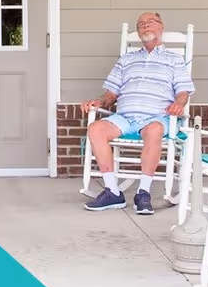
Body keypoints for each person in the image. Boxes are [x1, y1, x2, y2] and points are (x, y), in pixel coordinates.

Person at [82, 11, 192, 214]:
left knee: (154, 130)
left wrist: (178, 104)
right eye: (141, 24)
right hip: (124, 116)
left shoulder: (174, 60)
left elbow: (183, 92)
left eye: (151, 22)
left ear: (161, 26)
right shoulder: (126, 59)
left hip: (156, 117)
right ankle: (113, 192)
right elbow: (111, 93)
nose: (145, 26)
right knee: (95, 129)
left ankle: (143, 193)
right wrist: (99, 101)